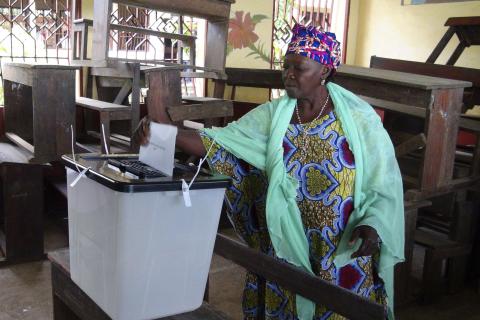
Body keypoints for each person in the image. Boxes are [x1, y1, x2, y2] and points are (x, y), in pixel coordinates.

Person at [135, 24, 404, 320]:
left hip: (339, 248)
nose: (288, 74)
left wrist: (374, 224)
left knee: (337, 309)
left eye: (299, 68)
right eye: (285, 66)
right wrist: (166, 135)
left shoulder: (358, 118)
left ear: (324, 71)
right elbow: (225, 142)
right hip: (283, 247)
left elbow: (384, 181)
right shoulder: (275, 114)